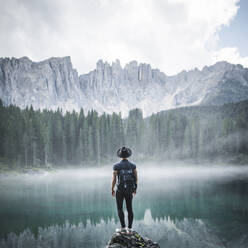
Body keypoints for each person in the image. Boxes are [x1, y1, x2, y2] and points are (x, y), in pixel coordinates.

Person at [111, 146, 138, 234]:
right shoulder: (133, 166)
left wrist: (112, 189)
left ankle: (123, 228)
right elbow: (136, 178)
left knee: (120, 208)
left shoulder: (116, 166)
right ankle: (129, 229)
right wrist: (135, 188)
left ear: (120, 155)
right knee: (130, 208)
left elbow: (114, 179)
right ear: (128, 155)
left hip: (120, 190)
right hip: (129, 189)